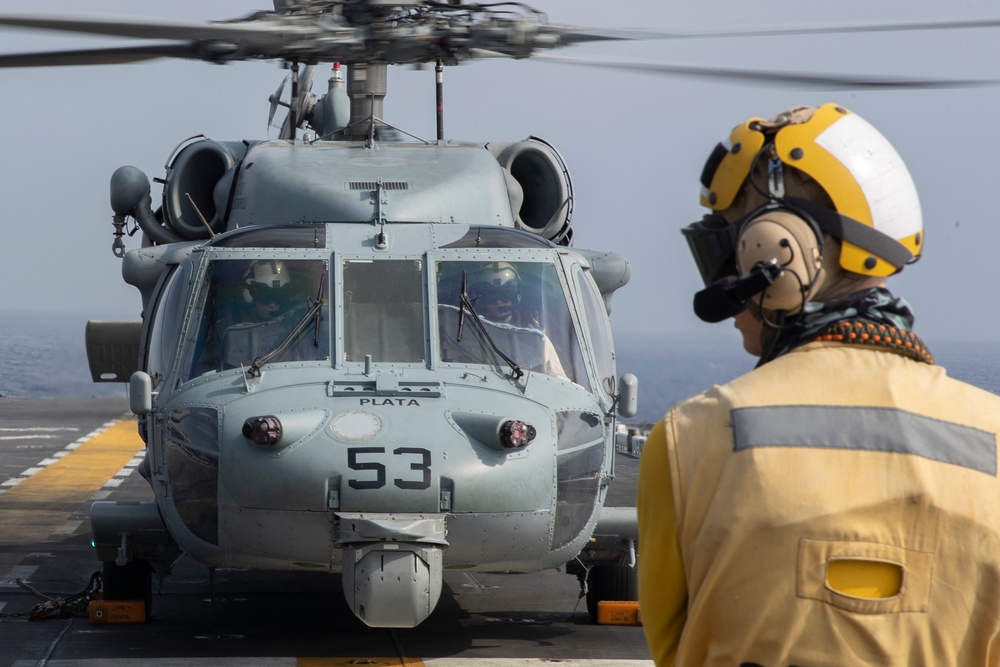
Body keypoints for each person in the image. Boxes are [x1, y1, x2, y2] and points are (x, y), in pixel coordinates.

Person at [638, 103, 1000, 665]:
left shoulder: (687, 441)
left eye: (720, 253)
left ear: (773, 255)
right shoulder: (993, 441)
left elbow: (672, 646)